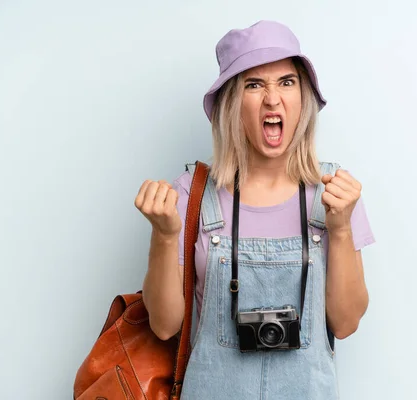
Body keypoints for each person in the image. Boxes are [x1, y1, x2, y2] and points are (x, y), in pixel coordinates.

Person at [134, 20, 376, 400]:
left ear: (302, 97)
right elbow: (164, 326)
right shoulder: (191, 196)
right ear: (232, 102)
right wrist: (164, 236)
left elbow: (345, 323)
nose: (273, 99)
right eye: (254, 84)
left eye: (286, 81)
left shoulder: (334, 194)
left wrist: (341, 229)